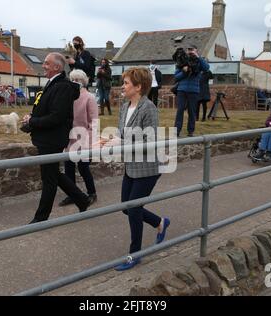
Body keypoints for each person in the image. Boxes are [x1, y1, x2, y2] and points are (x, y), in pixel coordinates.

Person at [99, 67, 170, 271]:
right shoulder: (124, 106)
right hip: (132, 165)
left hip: (148, 167)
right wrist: (111, 139)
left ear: (138, 87)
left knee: (133, 208)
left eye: (127, 83)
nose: (123, 86)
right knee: (126, 207)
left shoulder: (149, 108)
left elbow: (149, 139)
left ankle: (135, 254)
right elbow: (122, 133)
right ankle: (160, 222)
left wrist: (119, 142)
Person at [22, 53, 91, 224]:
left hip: (51, 140)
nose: (43, 66)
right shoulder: (54, 84)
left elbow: (56, 117)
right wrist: (31, 118)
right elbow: (46, 110)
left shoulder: (62, 87)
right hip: (46, 138)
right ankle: (82, 199)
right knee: (53, 174)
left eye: (46, 63)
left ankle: (41, 218)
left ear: (57, 67)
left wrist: (33, 121)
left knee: (49, 178)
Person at [59, 69, 99, 207]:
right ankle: (72, 194)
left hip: (84, 138)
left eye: (77, 80)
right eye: (72, 80)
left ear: (83, 82)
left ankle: (92, 193)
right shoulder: (68, 96)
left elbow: (94, 121)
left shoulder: (89, 97)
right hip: (70, 138)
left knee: (83, 168)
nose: (75, 82)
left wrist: (91, 142)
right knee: (68, 168)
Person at [174, 46, 210, 137]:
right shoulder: (182, 62)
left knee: (192, 111)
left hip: (193, 91)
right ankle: (176, 131)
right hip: (181, 90)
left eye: (192, 50)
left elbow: (206, 68)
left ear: (196, 51)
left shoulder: (199, 62)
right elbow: (176, 77)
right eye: (188, 50)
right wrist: (183, 72)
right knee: (180, 110)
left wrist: (198, 56)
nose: (190, 52)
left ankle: (190, 131)